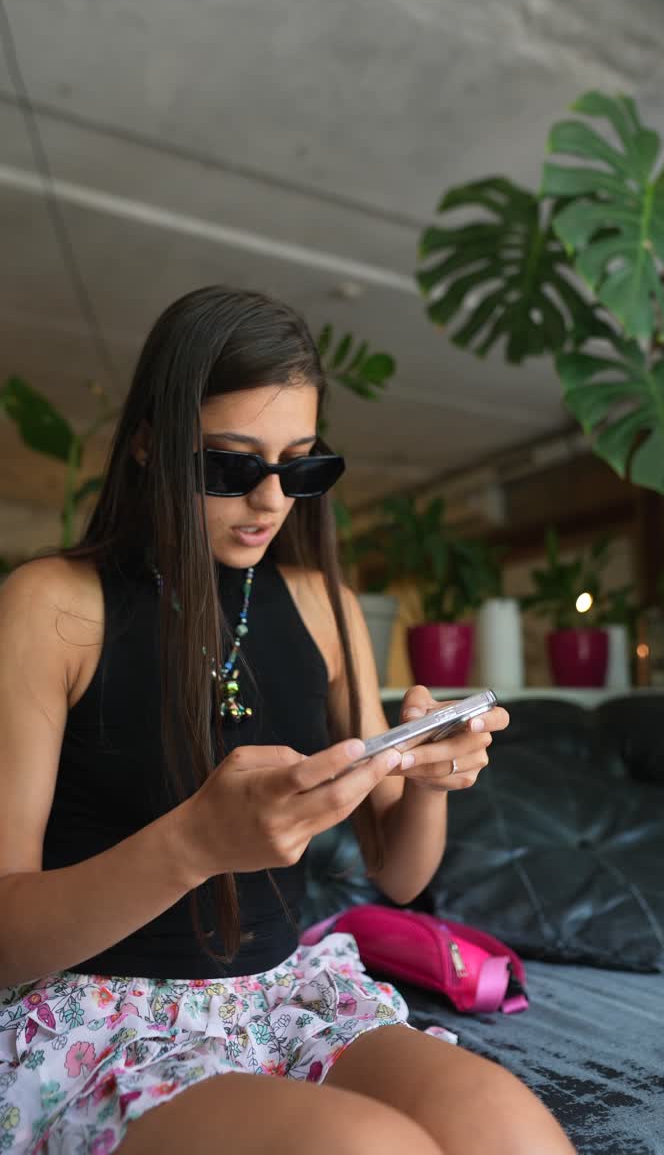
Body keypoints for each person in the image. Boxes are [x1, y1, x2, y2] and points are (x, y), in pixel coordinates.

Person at [0, 287, 576, 1154]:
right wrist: (196, 841)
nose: (271, 501)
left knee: (517, 1137)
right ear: (151, 445)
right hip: (106, 1017)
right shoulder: (52, 605)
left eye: (302, 467)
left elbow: (402, 877)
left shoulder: (327, 608)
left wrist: (431, 779)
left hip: (285, 993)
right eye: (232, 466)